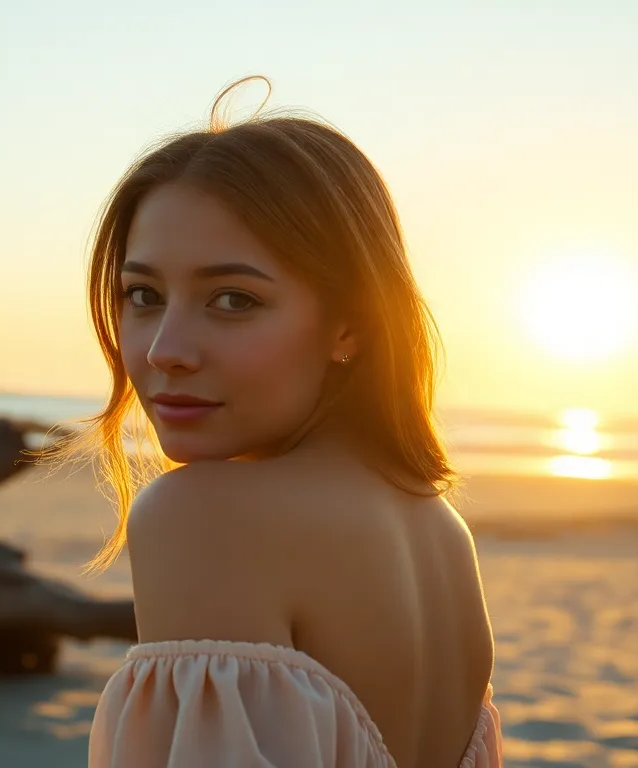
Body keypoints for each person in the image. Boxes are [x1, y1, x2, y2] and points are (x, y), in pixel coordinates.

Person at [77, 77, 503, 767]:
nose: (164, 351)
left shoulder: (200, 515)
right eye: (143, 295)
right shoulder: (439, 528)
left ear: (351, 325)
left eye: (233, 300)